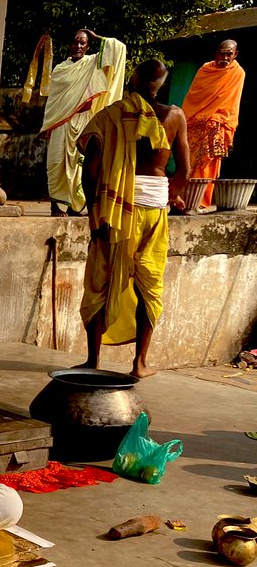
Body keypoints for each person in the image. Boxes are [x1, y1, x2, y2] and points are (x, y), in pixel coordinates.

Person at [77, 60, 189, 379]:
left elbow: (91, 168)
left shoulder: (110, 116)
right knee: (149, 286)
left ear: (134, 80)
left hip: (114, 210)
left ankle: (92, 361)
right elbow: (184, 170)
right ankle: (139, 363)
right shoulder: (174, 116)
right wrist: (170, 195)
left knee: (101, 282)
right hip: (154, 209)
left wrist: (92, 211)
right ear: (162, 84)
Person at [41, 29, 128, 216]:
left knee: (81, 165)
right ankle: (56, 205)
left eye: (83, 43)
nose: (78, 46)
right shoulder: (60, 70)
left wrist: (97, 37)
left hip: (84, 122)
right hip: (61, 123)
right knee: (56, 163)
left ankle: (76, 205)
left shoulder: (93, 64)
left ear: (88, 46)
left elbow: (119, 50)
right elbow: (55, 102)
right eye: (75, 42)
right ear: (69, 45)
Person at [182, 39, 245, 209]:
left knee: (208, 160)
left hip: (218, 124)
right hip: (195, 122)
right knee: (188, 158)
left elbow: (231, 103)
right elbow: (194, 96)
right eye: (222, 53)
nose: (224, 57)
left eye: (229, 54)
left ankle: (201, 199)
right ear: (216, 53)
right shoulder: (205, 69)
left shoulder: (238, 73)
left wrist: (216, 119)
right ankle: (183, 197)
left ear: (235, 54)